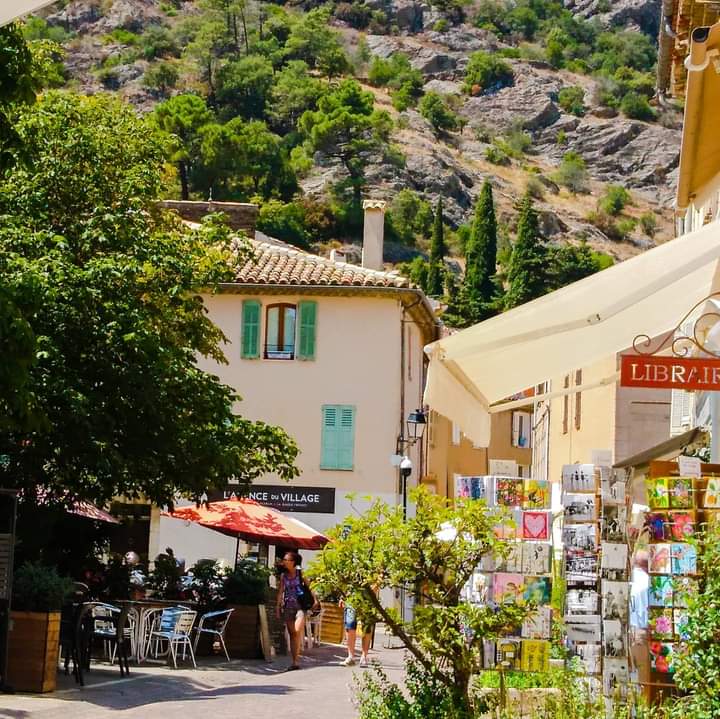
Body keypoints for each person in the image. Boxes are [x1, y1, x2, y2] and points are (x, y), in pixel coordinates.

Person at [275, 550, 318, 670]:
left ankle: (295, 660)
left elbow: (311, 587)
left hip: (300, 606)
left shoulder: (300, 574)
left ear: (293, 562)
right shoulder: (284, 576)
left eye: (286, 560)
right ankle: (294, 662)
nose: (284, 562)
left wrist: (315, 600)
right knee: (292, 633)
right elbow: (280, 592)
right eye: (284, 560)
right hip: (288, 606)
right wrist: (278, 608)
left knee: (297, 630)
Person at [339, 600, 373, 667]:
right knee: (350, 626)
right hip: (351, 600)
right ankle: (351, 657)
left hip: (367, 600)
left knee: (366, 628)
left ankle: (364, 657)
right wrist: (342, 597)